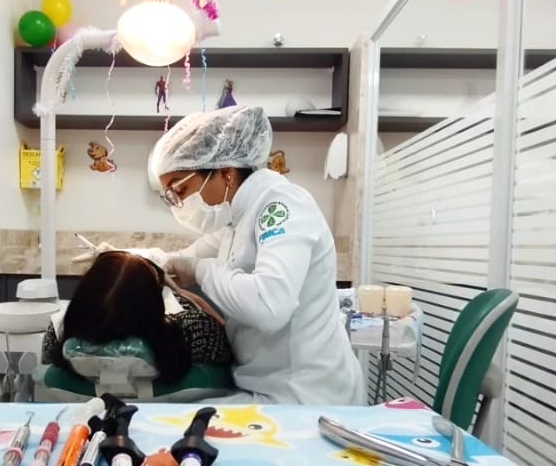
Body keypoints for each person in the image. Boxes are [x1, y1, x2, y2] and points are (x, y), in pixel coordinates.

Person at [85, 105, 365, 406]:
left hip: (308, 395)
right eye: (170, 196)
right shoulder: (237, 219)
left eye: (180, 189)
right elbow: (178, 259)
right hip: (266, 384)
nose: (179, 203)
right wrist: (123, 255)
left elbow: (270, 305)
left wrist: (201, 270)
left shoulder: (280, 206)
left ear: (225, 171)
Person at [44, 250, 233, 384]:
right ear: (154, 304)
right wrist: (181, 293)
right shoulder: (196, 330)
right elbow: (229, 348)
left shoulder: (57, 333)